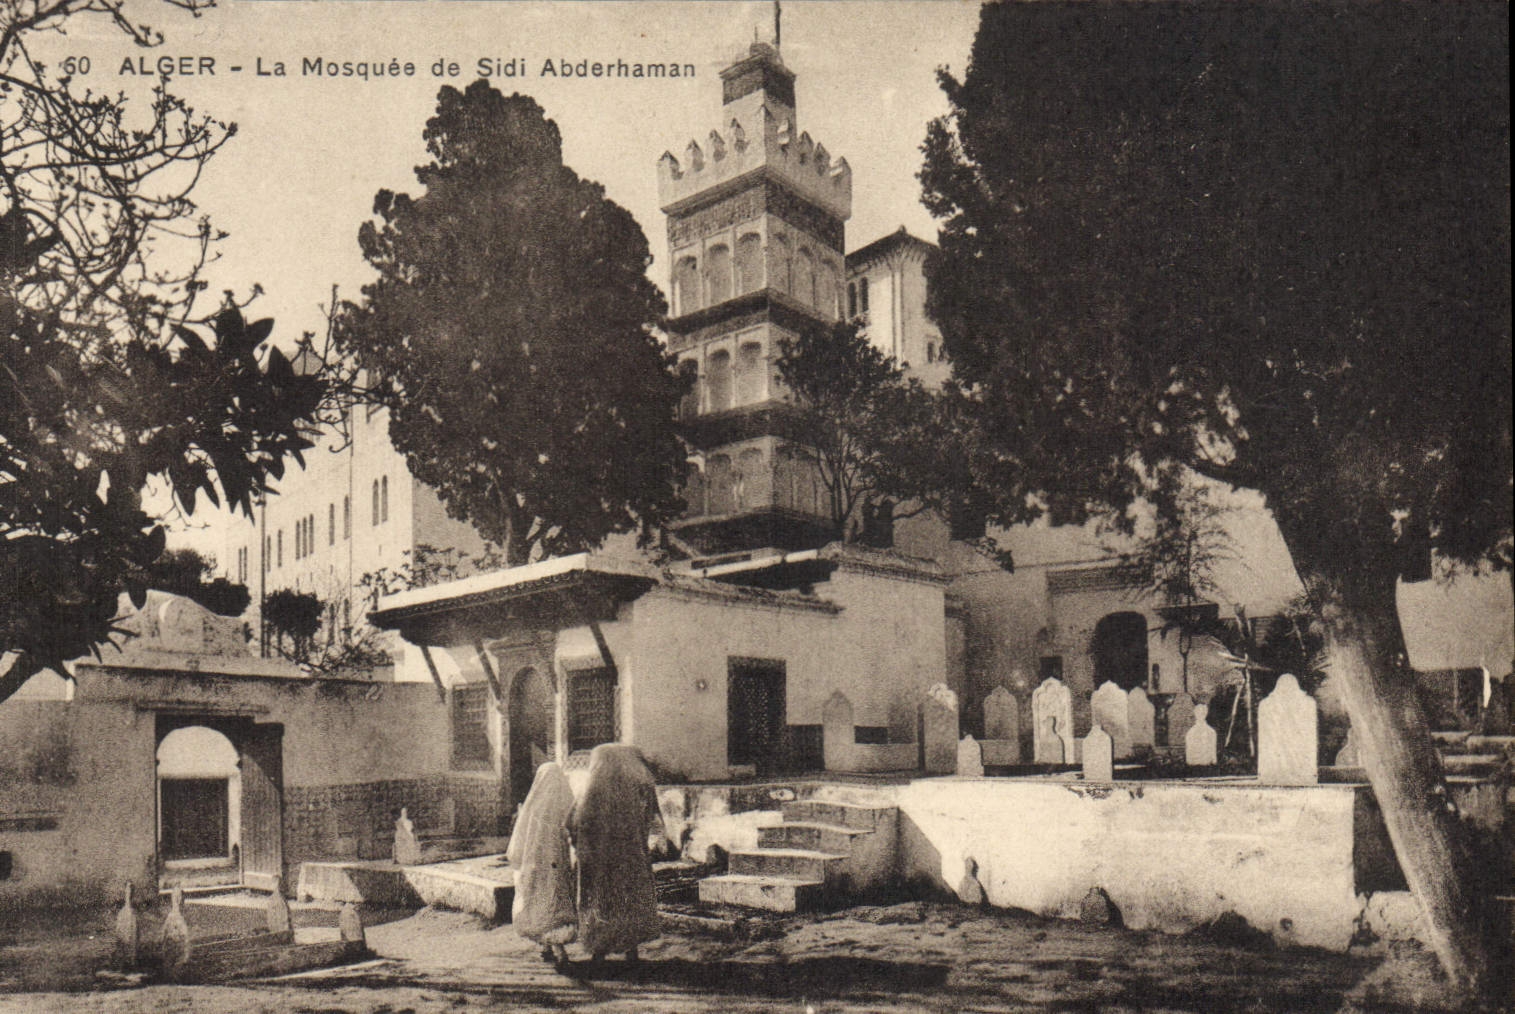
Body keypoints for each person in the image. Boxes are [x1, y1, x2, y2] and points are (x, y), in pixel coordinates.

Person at [567, 744, 664, 963]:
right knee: (628, 900)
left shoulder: (590, 789)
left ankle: (598, 952)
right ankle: (631, 951)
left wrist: (580, 848)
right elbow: (652, 818)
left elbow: (572, 821)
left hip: (598, 860)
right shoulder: (640, 787)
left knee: (600, 901)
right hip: (630, 858)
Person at [505, 762, 577, 966]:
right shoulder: (566, 801)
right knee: (554, 903)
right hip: (557, 864)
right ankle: (559, 952)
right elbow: (575, 825)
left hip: (536, 866)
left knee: (540, 901)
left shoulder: (534, 805)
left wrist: (519, 860)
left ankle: (549, 947)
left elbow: (519, 838)